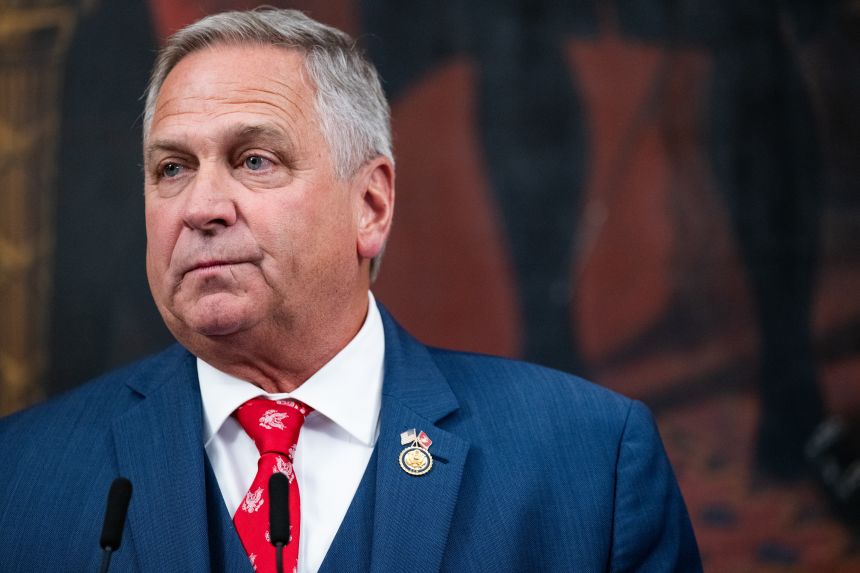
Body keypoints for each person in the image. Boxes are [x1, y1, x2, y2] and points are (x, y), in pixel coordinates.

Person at [0, 8, 701, 572]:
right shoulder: (22, 474)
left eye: (254, 160)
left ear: (370, 205)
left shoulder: (590, 463)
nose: (200, 207)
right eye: (172, 169)